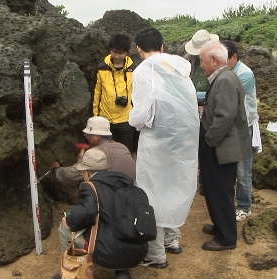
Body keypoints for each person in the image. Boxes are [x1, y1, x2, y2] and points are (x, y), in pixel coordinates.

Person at [129, 27, 199, 268]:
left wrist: (132, 120)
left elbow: (141, 115)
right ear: (162, 46)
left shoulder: (143, 71)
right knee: (173, 186)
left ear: (138, 48)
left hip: (156, 143)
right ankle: (172, 240)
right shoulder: (178, 69)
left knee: (152, 194)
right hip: (181, 142)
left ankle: (156, 255)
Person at [56, 148, 146, 279]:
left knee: (64, 229)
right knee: (120, 223)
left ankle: (73, 272)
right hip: (137, 250)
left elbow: (88, 212)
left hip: (108, 253)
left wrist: (70, 220)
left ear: (87, 172)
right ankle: (122, 272)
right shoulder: (126, 182)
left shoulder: (90, 187)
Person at [198, 40, 251, 251]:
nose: (201, 65)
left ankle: (226, 237)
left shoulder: (225, 80)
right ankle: (221, 225)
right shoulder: (223, 77)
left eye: (202, 61)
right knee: (217, 189)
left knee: (220, 190)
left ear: (213, 60)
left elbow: (225, 115)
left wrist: (210, 139)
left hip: (221, 147)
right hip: (220, 146)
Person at [221, 40, 262, 222]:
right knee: (231, 169)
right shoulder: (228, 71)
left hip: (245, 128)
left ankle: (245, 206)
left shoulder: (244, 74)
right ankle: (232, 204)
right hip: (233, 127)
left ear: (234, 57)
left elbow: (226, 95)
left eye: (224, 58)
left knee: (243, 170)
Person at [185, 29, 219, 196]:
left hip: (209, 107)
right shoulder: (189, 59)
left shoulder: (216, 60)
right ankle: (198, 181)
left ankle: (206, 182)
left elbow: (219, 88)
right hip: (192, 108)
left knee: (207, 146)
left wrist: (201, 98)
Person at [51, 116, 136, 182]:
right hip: (133, 190)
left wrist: (57, 170)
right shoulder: (121, 146)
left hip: (118, 196)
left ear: (97, 135)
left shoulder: (96, 153)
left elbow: (73, 173)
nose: (86, 137)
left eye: (89, 134)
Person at [92, 33, 136, 152]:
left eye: (120, 53)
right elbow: (97, 93)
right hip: (105, 120)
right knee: (106, 154)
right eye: (114, 51)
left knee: (126, 152)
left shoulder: (134, 70)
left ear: (126, 52)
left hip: (126, 119)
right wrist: (96, 116)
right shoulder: (101, 68)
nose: (117, 56)